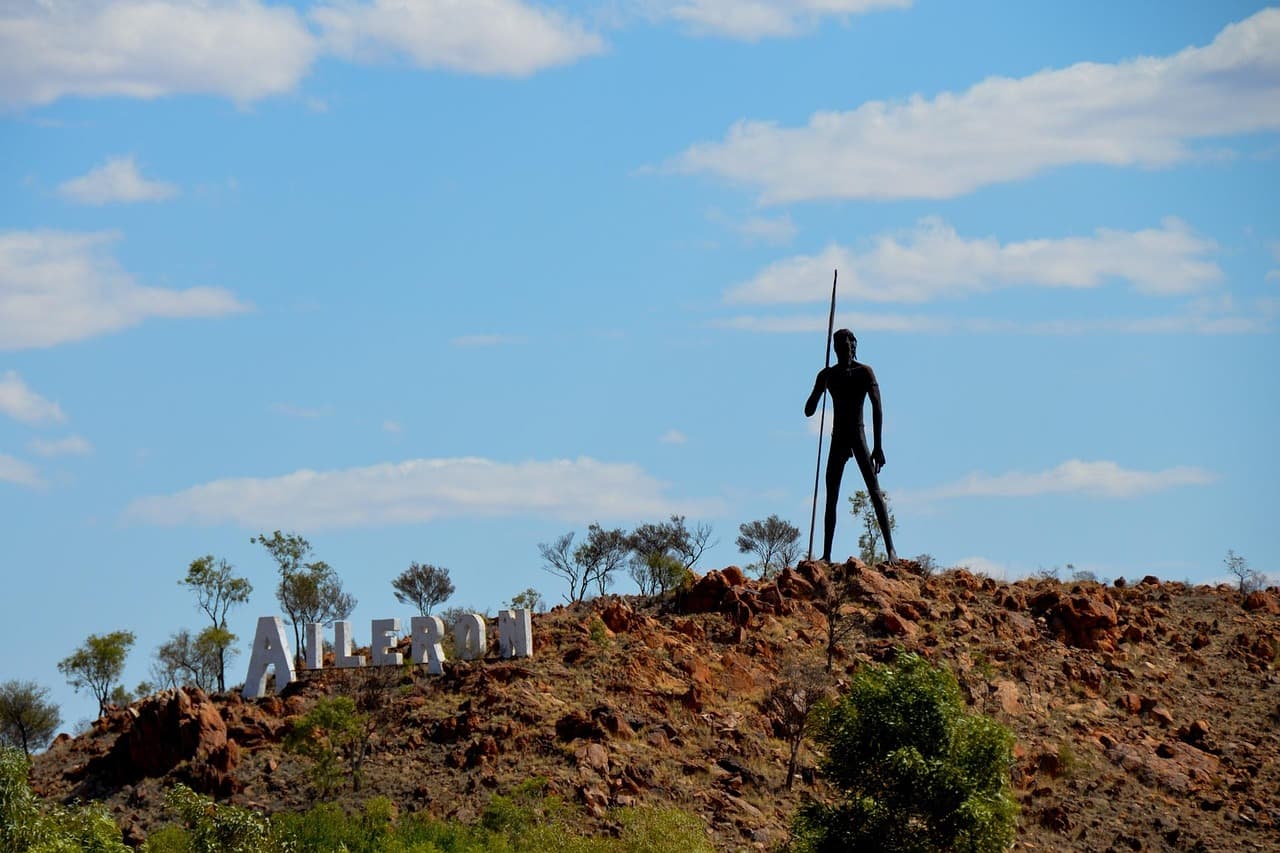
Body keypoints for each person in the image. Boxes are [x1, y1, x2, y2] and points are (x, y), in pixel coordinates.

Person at [804, 328, 897, 564]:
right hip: (838, 436)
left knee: (874, 491)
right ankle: (826, 555)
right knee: (832, 494)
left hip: (858, 434)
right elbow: (808, 411)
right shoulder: (828, 375)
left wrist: (878, 446)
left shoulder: (864, 372)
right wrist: (819, 387)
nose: (846, 349)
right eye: (841, 346)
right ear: (835, 349)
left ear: (854, 347)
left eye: (849, 345)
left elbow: (877, 408)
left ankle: (891, 550)